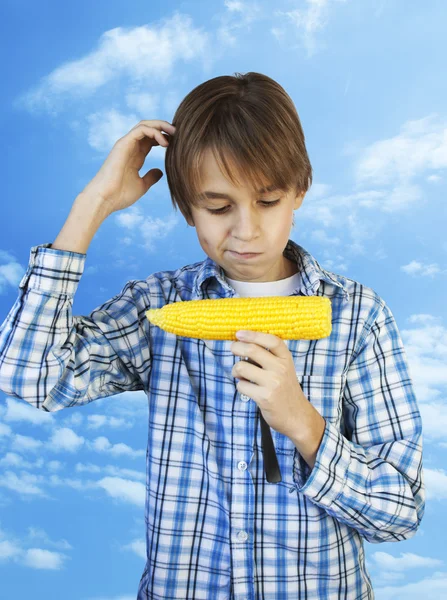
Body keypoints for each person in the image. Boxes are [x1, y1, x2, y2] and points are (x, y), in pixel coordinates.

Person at [0, 72, 425, 599]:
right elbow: (28, 377)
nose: (245, 231)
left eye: (267, 202)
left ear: (300, 192)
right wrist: (95, 203)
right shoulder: (159, 307)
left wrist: (304, 424)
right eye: (218, 207)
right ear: (185, 206)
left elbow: (400, 514)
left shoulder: (358, 316)